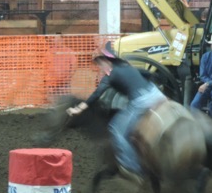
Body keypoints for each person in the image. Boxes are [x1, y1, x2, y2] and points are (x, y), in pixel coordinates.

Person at [66, 46, 166, 185]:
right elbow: (148, 74)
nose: (99, 66)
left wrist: (78, 109)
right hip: (157, 95)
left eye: (99, 63)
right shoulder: (126, 66)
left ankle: (133, 168)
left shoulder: (110, 76)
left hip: (142, 101)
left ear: (106, 61)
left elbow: (96, 95)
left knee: (116, 128)